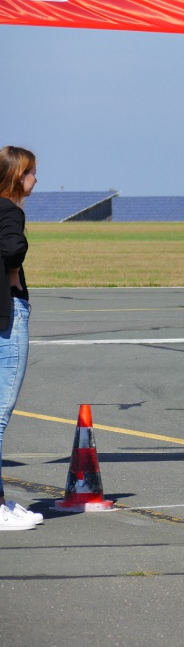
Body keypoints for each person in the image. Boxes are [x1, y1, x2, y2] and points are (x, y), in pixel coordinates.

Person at [0, 146, 44, 531]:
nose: (36, 179)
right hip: (7, 313)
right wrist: (14, 272)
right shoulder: (10, 211)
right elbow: (13, 247)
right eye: (31, 173)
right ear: (17, 177)